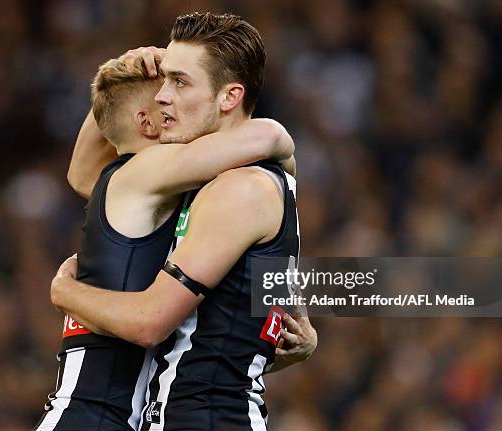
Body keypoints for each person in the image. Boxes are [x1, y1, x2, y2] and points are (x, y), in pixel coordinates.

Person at [51, 12, 317, 431]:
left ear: (229, 98)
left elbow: (151, 323)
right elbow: (88, 179)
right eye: (162, 81)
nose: (161, 96)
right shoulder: (199, 183)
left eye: (179, 82)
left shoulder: (243, 187)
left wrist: (66, 291)